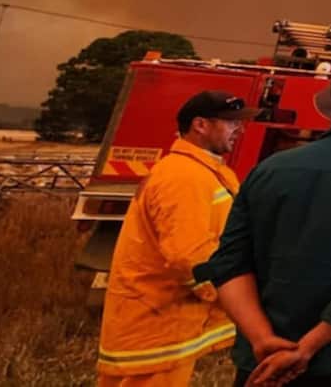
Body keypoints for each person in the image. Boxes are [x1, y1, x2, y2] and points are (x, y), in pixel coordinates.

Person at [194, 64, 331, 387]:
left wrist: (262, 340)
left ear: (327, 107)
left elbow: (229, 262)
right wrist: (306, 348)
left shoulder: (268, 168)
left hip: (261, 358)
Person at [97, 90, 263, 387]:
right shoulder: (184, 177)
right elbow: (190, 255)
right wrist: (236, 296)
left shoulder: (202, 171)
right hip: (156, 322)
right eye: (231, 122)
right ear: (200, 124)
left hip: (161, 319)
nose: (241, 129)